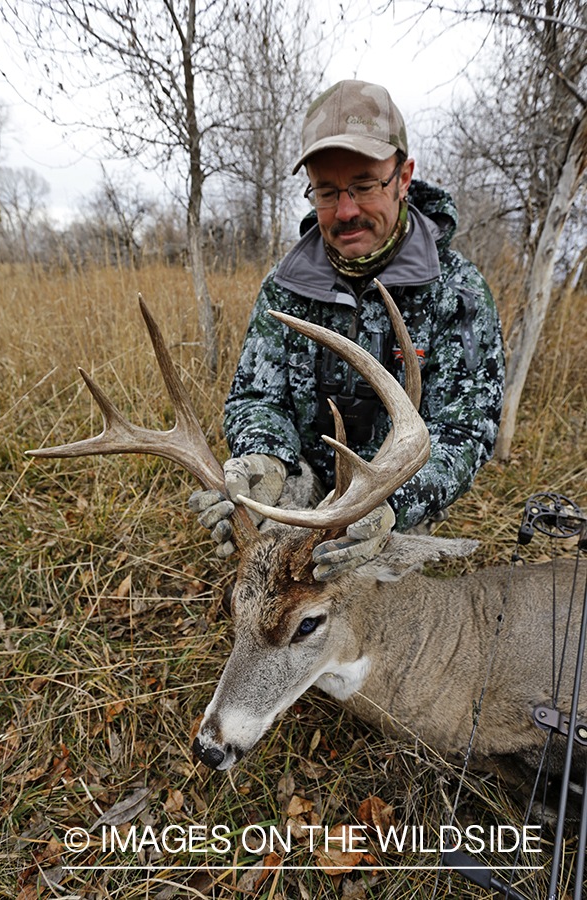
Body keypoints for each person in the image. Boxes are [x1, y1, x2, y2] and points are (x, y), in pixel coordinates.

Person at [190, 80, 505, 581]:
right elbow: (256, 396)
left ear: (404, 178)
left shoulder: (458, 292)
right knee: (269, 575)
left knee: (389, 612)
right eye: (327, 191)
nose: (346, 211)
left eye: (364, 185)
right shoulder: (285, 286)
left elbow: (467, 428)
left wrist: (391, 500)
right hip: (306, 485)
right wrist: (264, 458)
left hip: (396, 505)